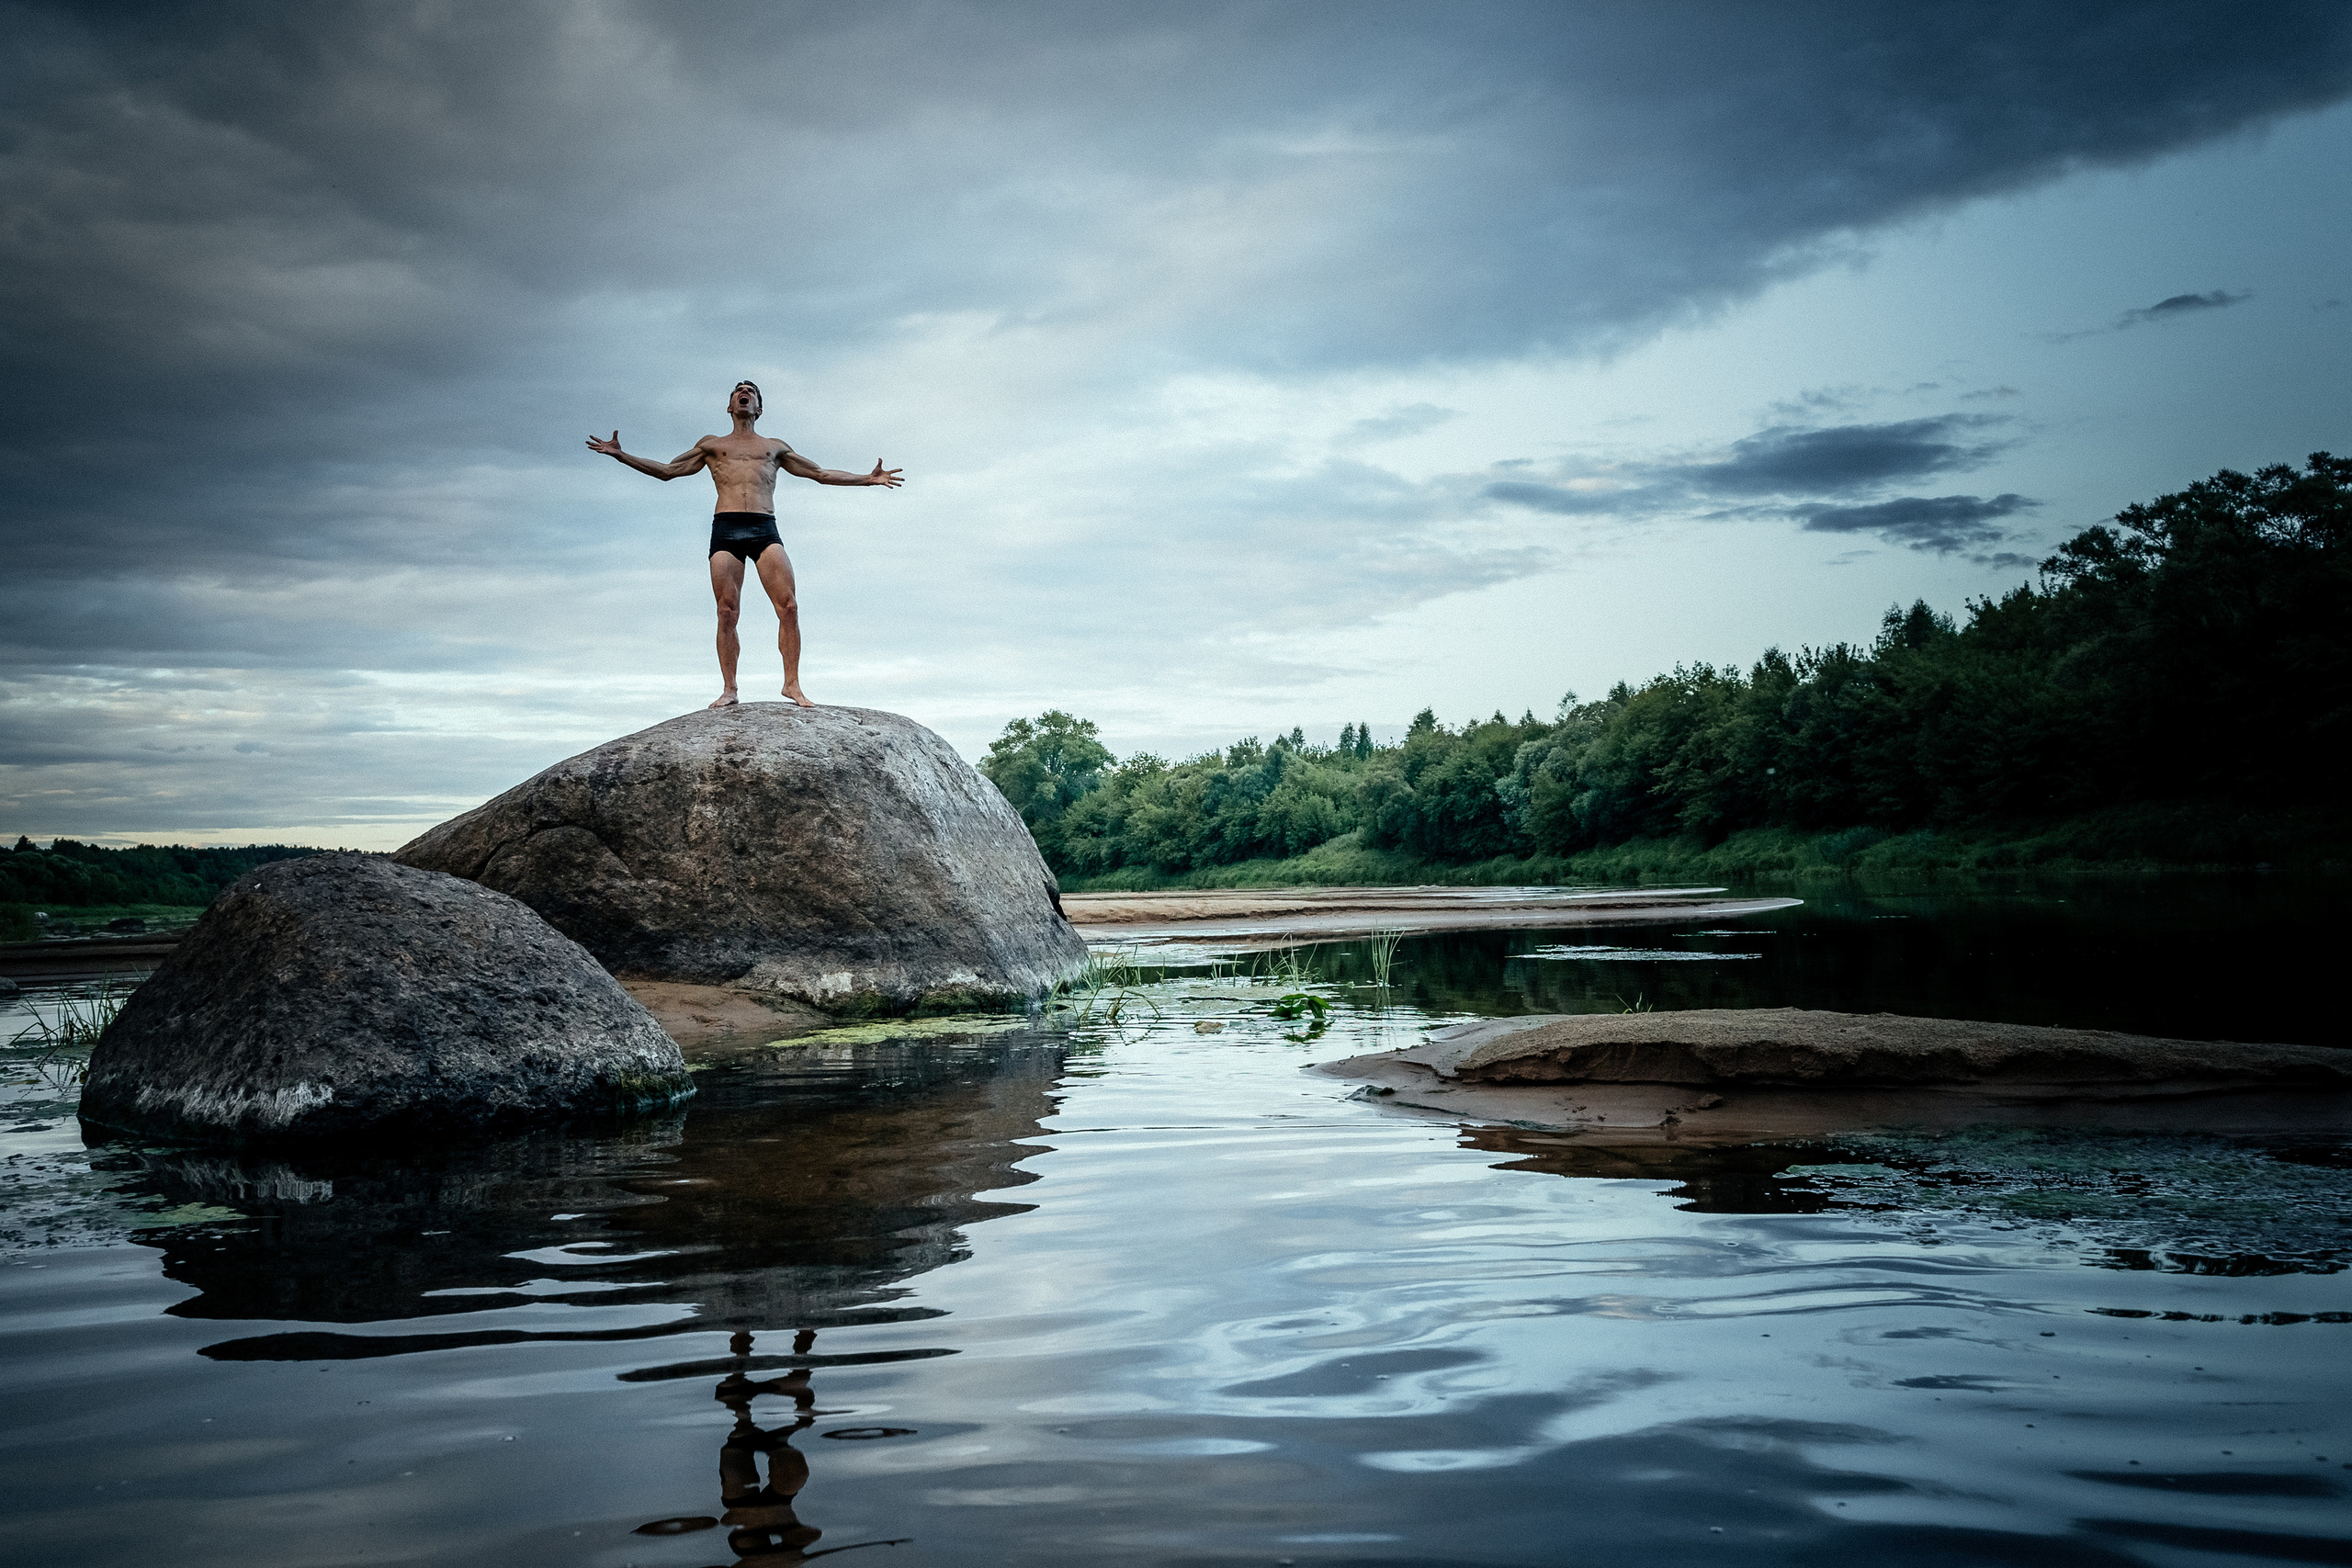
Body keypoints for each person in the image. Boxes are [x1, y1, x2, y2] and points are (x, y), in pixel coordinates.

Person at [588, 381, 901, 707]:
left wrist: (867, 479)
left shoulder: (774, 447)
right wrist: (621, 455)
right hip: (726, 528)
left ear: (758, 409)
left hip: (764, 527)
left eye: (750, 391)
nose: (743, 392)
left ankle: (792, 685)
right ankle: (730, 689)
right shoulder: (712, 445)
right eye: (738, 390)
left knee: (789, 606)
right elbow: (667, 471)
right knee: (727, 612)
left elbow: (819, 473)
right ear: (730, 406)